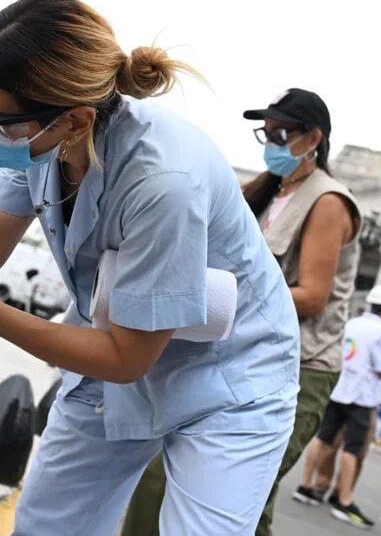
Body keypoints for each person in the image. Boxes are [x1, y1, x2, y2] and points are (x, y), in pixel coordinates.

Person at [0, 0, 301, 535]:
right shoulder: (43, 142)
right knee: (47, 525)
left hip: (229, 377)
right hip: (117, 345)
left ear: (75, 120)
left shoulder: (163, 181)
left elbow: (125, 357)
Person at [120, 88, 361, 536]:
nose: (271, 143)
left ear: (313, 139)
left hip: (299, 367)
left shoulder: (328, 201)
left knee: (246, 501)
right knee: (159, 478)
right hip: (235, 355)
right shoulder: (265, 194)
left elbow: (311, 296)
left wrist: (216, 292)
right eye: (265, 133)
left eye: (281, 133)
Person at [297, 284, 381, 529]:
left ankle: (305, 486)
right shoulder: (380, 333)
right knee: (353, 449)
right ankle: (344, 501)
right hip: (361, 397)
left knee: (323, 438)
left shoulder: (352, 324)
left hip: (339, 389)